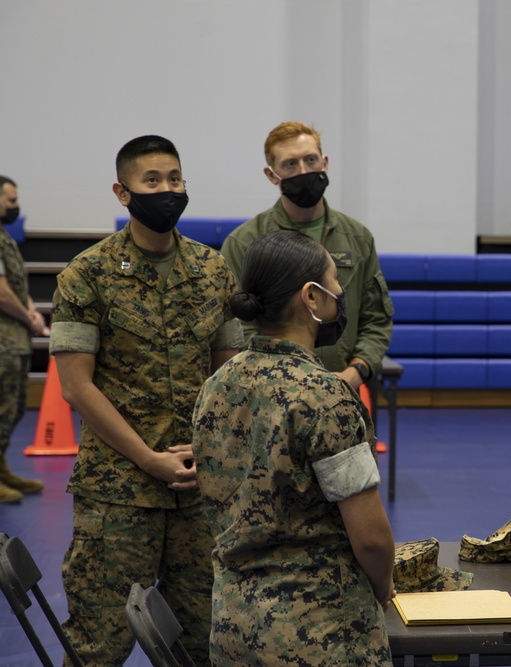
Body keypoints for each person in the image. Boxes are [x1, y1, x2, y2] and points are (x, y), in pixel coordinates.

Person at [49, 136, 243, 666]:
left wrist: (208, 450)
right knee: (99, 644)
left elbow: (230, 374)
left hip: (198, 489)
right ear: (123, 191)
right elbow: (76, 386)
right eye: (152, 181)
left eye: (174, 179)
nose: (167, 190)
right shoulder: (85, 275)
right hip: (118, 494)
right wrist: (148, 458)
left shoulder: (213, 271)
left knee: (204, 641)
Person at [192, 229, 395, 666]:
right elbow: (372, 540)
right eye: (335, 282)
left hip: (233, 629)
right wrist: (381, 589)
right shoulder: (326, 396)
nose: (341, 293)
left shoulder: (217, 385)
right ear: (312, 297)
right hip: (321, 635)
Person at [221, 121, 393, 390]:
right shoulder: (245, 242)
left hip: (344, 387)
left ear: (324, 162)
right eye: (290, 164)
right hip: (271, 391)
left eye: (310, 160)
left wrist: (356, 371)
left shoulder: (358, 237)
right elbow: (237, 324)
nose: (303, 171)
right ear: (271, 174)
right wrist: (286, 375)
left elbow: (376, 319)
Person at [0, 175, 47, 504]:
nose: (16, 207)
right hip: (3, 340)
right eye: (11, 200)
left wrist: (31, 311)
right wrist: (25, 315)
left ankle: (1, 469)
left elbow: (15, 287)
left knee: (13, 408)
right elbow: (2, 294)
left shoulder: (4, 238)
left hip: (12, 337)